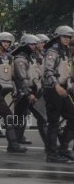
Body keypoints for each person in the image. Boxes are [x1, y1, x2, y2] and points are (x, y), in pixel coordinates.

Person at [43, 26, 74, 163]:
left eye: (69, 37)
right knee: (54, 122)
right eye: (65, 37)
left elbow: (66, 71)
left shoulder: (65, 51)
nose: (68, 39)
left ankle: (63, 148)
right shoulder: (53, 51)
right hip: (52, 89)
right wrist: (56, 86)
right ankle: (52, 154)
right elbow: (48, 71)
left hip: (63, 89)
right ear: (58, 37)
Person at [12, 35, 44, 146]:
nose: (34, 46)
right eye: (32, 44)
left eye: (35, 44)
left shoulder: (30, 57)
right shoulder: (20, 59)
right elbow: (22, 79)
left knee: (38, 115)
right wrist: (28, 93)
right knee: (20, 116)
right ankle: (15, 141)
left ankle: (18, 138)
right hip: (23, 92)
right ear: (25, 45)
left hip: (32, 91)